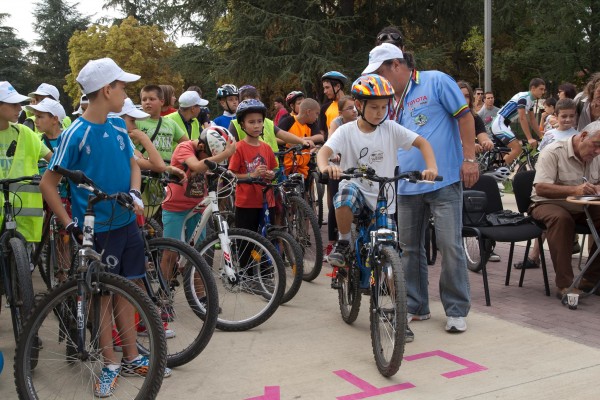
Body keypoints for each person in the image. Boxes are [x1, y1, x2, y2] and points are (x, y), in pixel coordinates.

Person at [39, 58, 172, 397]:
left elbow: (132, 165)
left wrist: (134, 192)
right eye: (122, 86)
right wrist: (69, 226)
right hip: (96, 230)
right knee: (103, 297)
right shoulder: (75, 133)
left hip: (127, 223)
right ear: (107, 90)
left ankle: (129, 356)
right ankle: (110, 361)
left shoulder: (116, 125)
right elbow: (48, 184)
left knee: (128, 289)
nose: (126, 92)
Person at [368, 43, 478, 334]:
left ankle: (456, 310)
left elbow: (465, 118)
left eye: (380, 72)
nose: (379, 79)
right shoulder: (387, 97)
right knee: (409, 249)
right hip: (405, 184)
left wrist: (469, 159)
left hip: (443, 180)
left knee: (450, 246)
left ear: (395, 65)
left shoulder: (436, 80)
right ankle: (416, 305)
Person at [316, 74, 437, 318]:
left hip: (384, 198)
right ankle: (342, 242)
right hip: (358, 192)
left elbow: (422, 142)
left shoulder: (391, 128)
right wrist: (326, 166)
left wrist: (431, 167)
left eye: (384, 107)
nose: (380, 112)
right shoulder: (347, 131)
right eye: (374, 107)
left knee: (391, 258)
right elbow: (324, 152)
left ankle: (398, 316)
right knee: (344, 194)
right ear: (359, 106)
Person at [530, 121, 600, 298]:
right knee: (562, 219)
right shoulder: (553, 151)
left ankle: (590, 279)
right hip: (547, 203)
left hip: (583, 206)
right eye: (596, 145)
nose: (598, 151)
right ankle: (565, 285)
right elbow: (541, 188)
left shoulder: (597, 156)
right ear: (583, 136)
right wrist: (574, 190)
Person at [515, 98, 579, 270]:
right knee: (551, 217)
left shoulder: (578, 136)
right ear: (556, 116)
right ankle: (535, 255)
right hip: (550, 184)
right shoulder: (550, 136)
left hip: (569, 185)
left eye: (571, 116)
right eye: (563, 116)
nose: (567, 120)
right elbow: (542, 161)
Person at [0, 81, 51, 244]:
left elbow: (54, 159)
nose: (20, 108)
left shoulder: (24, 133)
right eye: (14, 104)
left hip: (21, 214)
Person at [228, 99, 277, 233]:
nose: (256, 126)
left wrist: (271, 174)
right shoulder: (238, 148)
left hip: (267, 201)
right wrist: (252, 175)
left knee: (269, 240)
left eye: (259, 121)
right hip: (246, 204)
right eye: (251, 122)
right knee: (247, 244)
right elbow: (231, 175)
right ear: (242, 124)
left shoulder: (266, 148)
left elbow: (273, 169)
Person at [323, 95, 358, 261]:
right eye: (350, 108)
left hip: (356, 168)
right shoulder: (337, 123)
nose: (354, 111)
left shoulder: (361, 122)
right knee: (337, 202)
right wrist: (335, 154)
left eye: (355, 107)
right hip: (338, 167)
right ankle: (332, 244)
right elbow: (331, 140)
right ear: (341, 112)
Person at [491, 78, 546, 166]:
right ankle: (497, 172)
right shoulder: (523, 98)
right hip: (499, 123)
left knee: (505, 155)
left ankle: (495, 169)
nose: (543, 92)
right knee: (517, 149)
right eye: (541, 89)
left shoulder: (531, 101)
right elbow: (522, 118)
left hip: (505, 124)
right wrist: (529, 138)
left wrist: (541, 136)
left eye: (544, 89)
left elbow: (532, 120)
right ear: (533, 88)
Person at [135, 84, 189, 162]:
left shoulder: (171, 123)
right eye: (144, 99)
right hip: (145, 170)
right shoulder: (136, 122)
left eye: (152, 99)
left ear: (162, 102)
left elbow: (187, 144)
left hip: (167, 170)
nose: (147, 102)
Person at [277, 98, 322, 177]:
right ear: (308, 112)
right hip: (287, 165)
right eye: (316, 114)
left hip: (304, 166)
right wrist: (296, 140)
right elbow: (276, 138)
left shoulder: (311, 124)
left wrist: (306, 139)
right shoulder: (288, 121)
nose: (317, 117)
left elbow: (320, 137)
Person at [319, 71, 348, 140]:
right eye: (324, 88)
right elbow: (322, 132)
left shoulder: (353, 105)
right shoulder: (324, 108)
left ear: (338, 86)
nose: (325, 91)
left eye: (327, 87)